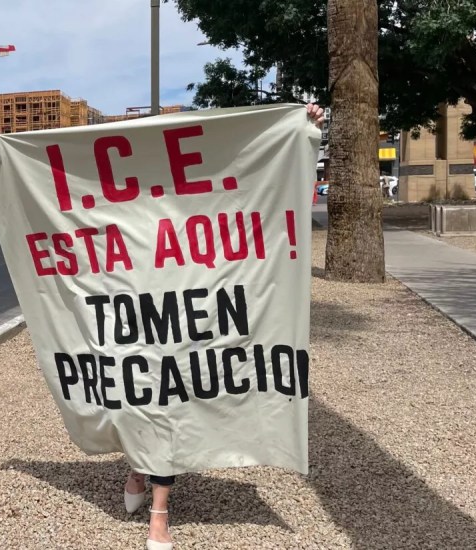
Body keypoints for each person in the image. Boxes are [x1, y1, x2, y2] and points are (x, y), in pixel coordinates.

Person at [125, 102, 327, 550]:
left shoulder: (205, 198)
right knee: (146, 403)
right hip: (143, 317)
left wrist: (304, 127)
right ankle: (140, 472)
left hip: (194, 314)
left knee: (172, 405)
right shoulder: (132, 206)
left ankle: (159, 508)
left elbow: (260, 188)